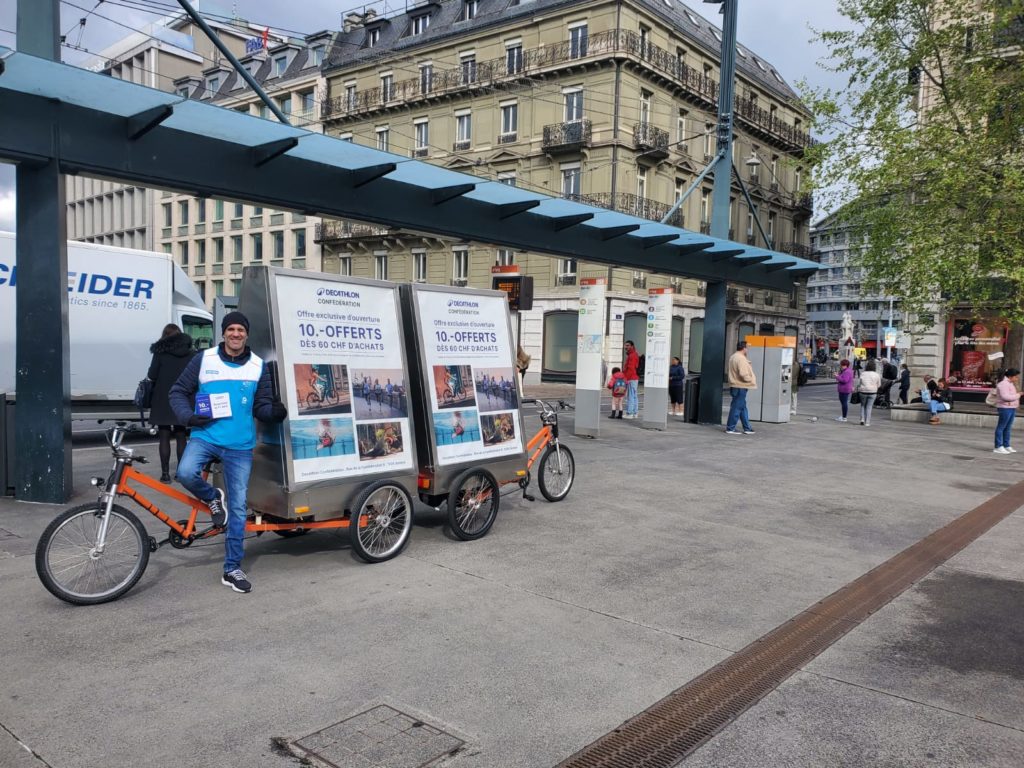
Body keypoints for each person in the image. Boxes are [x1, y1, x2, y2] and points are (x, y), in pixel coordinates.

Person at [170, 311, 287, 594]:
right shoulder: (203, 359)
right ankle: (212, 497)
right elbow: (177, 392)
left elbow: (260, 406)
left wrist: (274, 412)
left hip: (239, 446)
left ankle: (232, 568)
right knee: (185, 472)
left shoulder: (257, 365)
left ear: (246, 334)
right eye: (231, 329)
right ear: (223, 333)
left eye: (240, 330)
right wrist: (188, 417)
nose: (236, 334)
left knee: (237, 508)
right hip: (205, 436)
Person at [146, 323, 194, 483]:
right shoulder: (190, 353)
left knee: (164, 437)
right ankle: (180, 473)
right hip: (182, 399)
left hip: (162, 399)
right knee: (181, 437)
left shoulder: (160, 353)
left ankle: (165, 474)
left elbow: (152, 375)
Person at [726, 341, 757, 435]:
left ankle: (747, 428)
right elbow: (743, 373)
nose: (747, 350)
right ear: (744, 348)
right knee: (736, 408)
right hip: (740, 385)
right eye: (747, 348)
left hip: (736, 385)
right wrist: (750, 380)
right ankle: (730, 428)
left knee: (742, 408)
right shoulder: (741, 358)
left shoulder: (733, 356)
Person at [993, 368, 1020, 454]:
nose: (1017, 379)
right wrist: (1018, 395)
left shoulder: (1010, 383)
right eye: (1016, 377)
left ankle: (1006, 445)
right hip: (1004, 408)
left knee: (1008, 427)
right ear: (1011, 376)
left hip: (1011, 407)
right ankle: (998, 446)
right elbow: (1006, 397)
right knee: (1001, 427)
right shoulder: (1003, 384)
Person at [857, 359, 881, 426]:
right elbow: (879, 385)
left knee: (862, 406)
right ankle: (867, 422)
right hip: (873, 392)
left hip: (863, 391)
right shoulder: (877, 375)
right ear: (874, 367)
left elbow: (859, 383)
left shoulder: (863, 373)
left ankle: (862, 419)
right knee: (869, 407)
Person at [622, 340, 641, 419]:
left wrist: (626, 378)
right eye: (625, 345)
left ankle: (630, 413)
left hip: (631, 378)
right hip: (634, 378)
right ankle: (635, 413)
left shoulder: (632, 355)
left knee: (630, 396)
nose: (626, 347)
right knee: (634, 396)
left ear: (632, 346)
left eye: (628, 345)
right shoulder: (634, 354)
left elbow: (630, 368)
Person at [835, 358, 854, 422]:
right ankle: (843, 416)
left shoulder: (847, 371)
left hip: (844, 389)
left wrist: (837, 376)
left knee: (844, 403)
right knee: (843, 403)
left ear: (845, 365)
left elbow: (844, 380)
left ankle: (844, 417)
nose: (841, 366)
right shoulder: (847, 371)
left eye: (842, 365)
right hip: (844, 389)